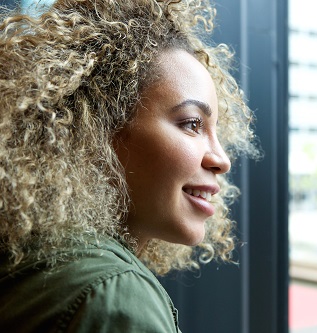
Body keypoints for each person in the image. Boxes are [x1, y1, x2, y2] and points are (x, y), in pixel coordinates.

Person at [0, 0, 256, 331]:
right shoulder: (113, 297)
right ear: (92, 130)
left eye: (216, 131)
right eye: (193, 124)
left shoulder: (32, 265)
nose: (222, 159)